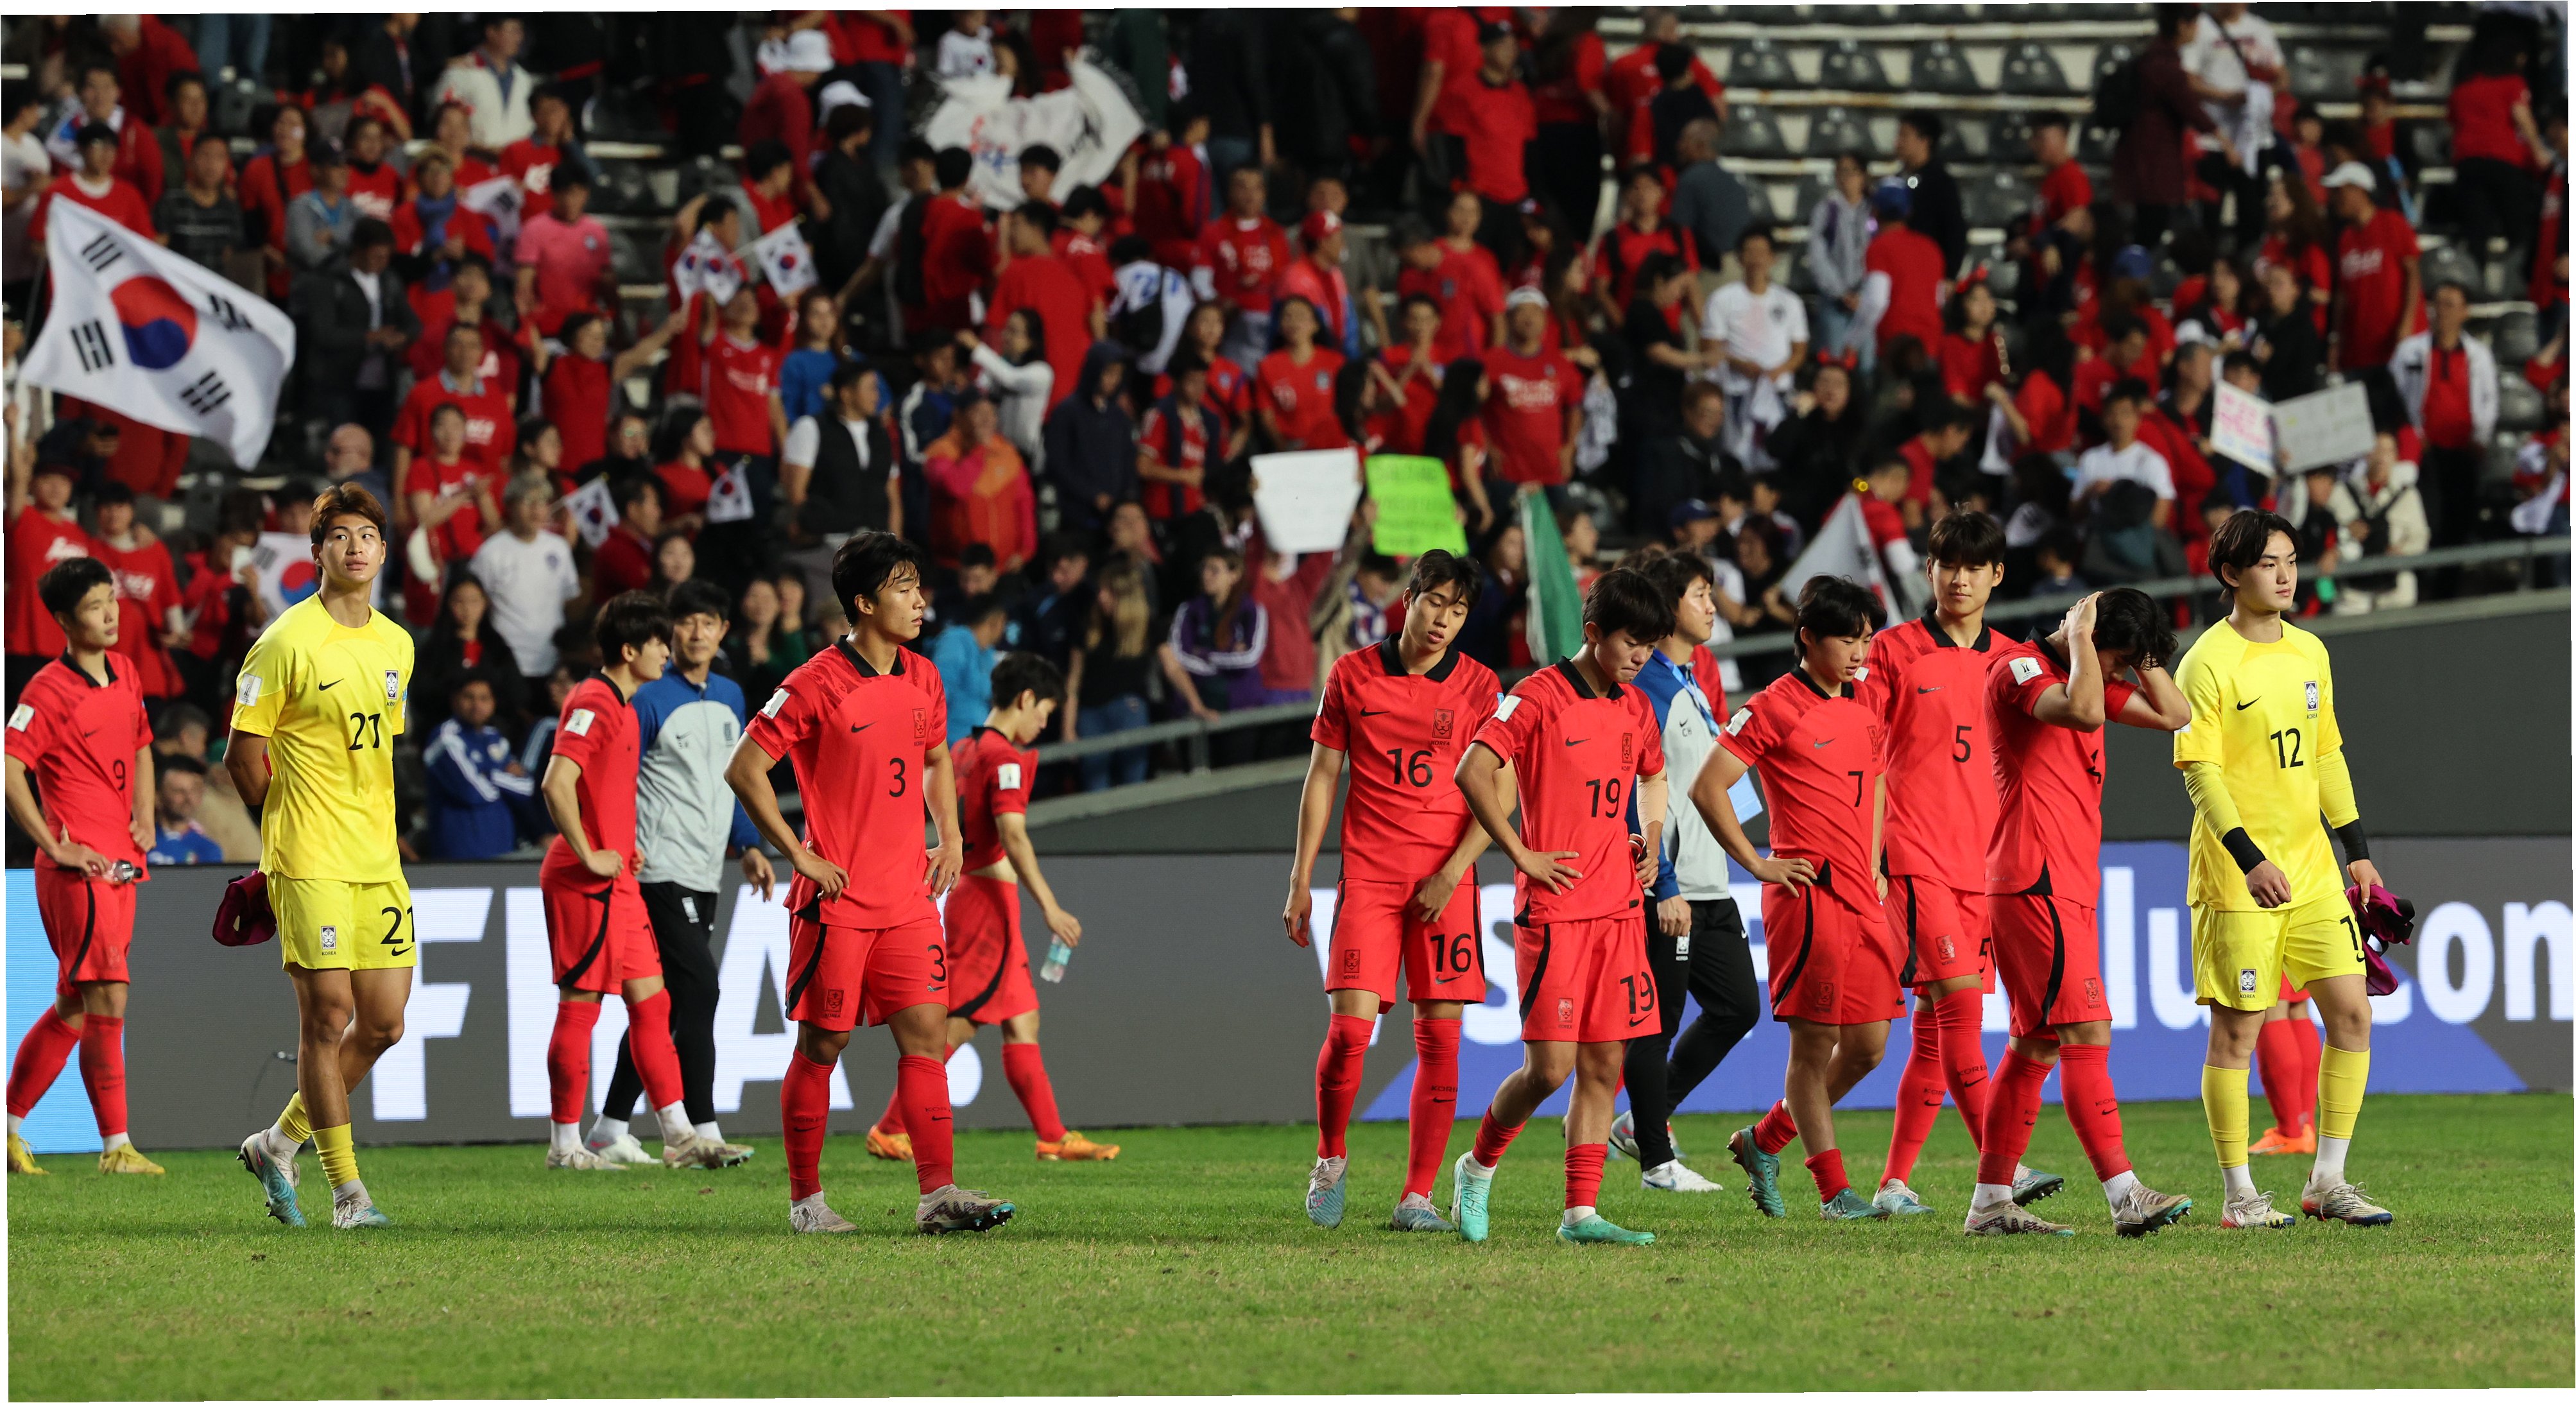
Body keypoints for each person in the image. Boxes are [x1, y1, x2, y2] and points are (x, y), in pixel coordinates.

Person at [725, 531, 1018, 1235]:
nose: (919, 600)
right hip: (838, 902)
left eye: (918, 585)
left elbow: (937, 760)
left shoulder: (924, 676)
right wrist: (799, 854)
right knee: (823, 1046)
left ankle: (938, 1194)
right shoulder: (815, 682)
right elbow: (744, 767)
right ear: (863, 602)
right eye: (902, 587)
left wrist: (950, 836)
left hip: (908, 898)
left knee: (927, 1037)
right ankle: (806, 1202)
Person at [2176, 512, 2395, 1229]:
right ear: (2231, 573)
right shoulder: (2206, 662)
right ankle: (2240, 1195)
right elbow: (2201, 774)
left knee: (2353, 1013)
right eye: (2269, 562)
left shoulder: (2310, 651)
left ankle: (2327, 1180)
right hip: (2239, 877)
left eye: (2292, 560)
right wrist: (2249, 858)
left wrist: (2356, 850)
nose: (2285, 574)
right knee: (2237, 1033)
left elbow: (2327, 754)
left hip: (2314, 870)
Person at [1448, 567, 1671, 1246]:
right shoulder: (1537, 695)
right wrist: (1521, 851)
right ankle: (1476, 1167)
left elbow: (1654, 775)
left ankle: (1580, 1214)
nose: (1641, 657)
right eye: (1631, 642)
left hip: (1620, 911)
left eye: (1650, 646)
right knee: (1550, 1069)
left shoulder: (1636, 706)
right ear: (1593, 631)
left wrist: (1650, 837)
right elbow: (1472, 769)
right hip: (1556, 911)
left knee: (1604, 1065)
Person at [1964, 587, 2196, 1236]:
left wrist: (2137, 653)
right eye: (2119, 660)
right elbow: (2085, 710)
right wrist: (2085, 638)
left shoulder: (2086, 671)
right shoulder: (2019, 669)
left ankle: (1989, 1203)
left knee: (2034, 1043)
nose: (2120, 674)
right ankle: (2126, 1195)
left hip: (2062, 881)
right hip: (2034, 877)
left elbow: (2175, 713)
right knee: (2087, 1032)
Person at [1854, 515, 2066, 1216]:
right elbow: (1865, 754)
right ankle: (2002, 1169)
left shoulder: (2015, 660)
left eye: (1975, 566)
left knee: (1929, 1029)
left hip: (1989, 868)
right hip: (1917, 856)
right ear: (1930, 569)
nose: (1960, 578)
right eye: (1948, 564)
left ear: (1998, 575)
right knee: (1961, 1011)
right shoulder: (1893, 651)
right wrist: (1870, 852)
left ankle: (1889, 1182)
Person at [1284, 552, 1499, 1232]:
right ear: (1408, 599)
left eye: (1458, 611)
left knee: (1441, 1043)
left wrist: (1453, 870)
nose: (1444, 620)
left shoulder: (1480, 686)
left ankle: (1417, 1196)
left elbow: (1499, 792)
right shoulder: (1350, 675)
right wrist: (1300, 878)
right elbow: (1323, 775)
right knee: (1350, 1032)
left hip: (1446, 883)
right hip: (1370, 877)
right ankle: (1331, 1157)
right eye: (1435, 602)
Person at [228, 485, 413, 1229]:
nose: (356, 546)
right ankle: (349, 1194)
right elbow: (243, 757)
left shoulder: (397, 643)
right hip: (308, 856)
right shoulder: (284, 641)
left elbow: (375, 749)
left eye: (368, 534)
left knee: (385, 1024)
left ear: (384, 550)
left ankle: (277, 1143)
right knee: (328, 1015)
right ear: (317, 551)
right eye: (340, 535)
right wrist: (285, 830)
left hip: (378, 859)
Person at [1687, 577, 1897, 1221]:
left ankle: (1764, 1140)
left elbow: (1877, 778)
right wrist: (1757, 862)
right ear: (1808, 637)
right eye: (1847, 640)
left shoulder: (1867, 697)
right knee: (1813, 1047)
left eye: (1866, 639)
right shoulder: (1775, 704)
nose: (1860, 653)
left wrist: (1875, 859)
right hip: (1809, 895)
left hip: (1863, 893)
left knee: (1868, 1047)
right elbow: (1708, 785)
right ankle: (1835, 1192)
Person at [868, 653, 1122, 1164]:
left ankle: (1053, 1137)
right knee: (961, 1020)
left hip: (973, 895)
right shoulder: (1005, 758)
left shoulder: (963, 748)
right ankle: (890, 1128)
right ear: (1026, 699)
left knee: (1023, 1020)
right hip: (988, 906)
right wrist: (1050, 907)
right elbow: (1013, 835)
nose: (1043, 724)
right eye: (1044, 712)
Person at [533, 592, 734, 1172]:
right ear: (629, 650)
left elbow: (602, 790)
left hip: (620, 880)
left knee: (654, 1002)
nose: (667, 655)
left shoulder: (624, 705)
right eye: (657, 644)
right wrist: (589, 852)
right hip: (583, 882)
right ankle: (564, 1147)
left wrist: (621, 845)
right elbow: (556, 782)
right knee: (581, 1007)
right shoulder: (594, 700)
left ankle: (679, 1134)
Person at [581, 580, 772, 1167]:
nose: (695, 633)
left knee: (659, 1005)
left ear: (723, 631)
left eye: (707, 622)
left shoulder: (732, 695)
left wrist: (748, 843)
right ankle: (701, 1129)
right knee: (700, 991)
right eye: (685, 623)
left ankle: (610, 1127)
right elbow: (617, 775)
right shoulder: (646, 697)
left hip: (706, 869)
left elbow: (734, 776)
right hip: (656, 869)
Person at [3, 558, 160, 1176]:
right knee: (108, 995)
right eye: (95, 606)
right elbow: (10, 767)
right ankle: (116, 1147)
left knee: (75, 1006)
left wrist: (145, 815)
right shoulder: (46, 691)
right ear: (66, 622)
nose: (110, 613)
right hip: (80, 870)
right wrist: (53, 842)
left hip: (122, 864)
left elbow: (142, 745)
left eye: (111, 600)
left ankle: (8, 1130)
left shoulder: (125, 670)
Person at [1611, 552, 1754, 1194]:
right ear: (1670, 607)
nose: (1712, 605)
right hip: (1670, 889)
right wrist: (1662, 881)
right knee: (1656, 1021)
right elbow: (1637, 791)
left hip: (1710, 882)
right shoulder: (1648, 688)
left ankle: (1641, 1118)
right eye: (1700, 594)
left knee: (1738, 1006)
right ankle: (1656, 1160)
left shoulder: (1690, 681)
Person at [2389, 281, 2498, 557]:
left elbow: (2489, 400)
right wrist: (2414, 436)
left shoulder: (2479, 355)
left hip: (2464, 451)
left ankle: (2450, 579)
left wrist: (2480, 439)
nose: (2442, 311)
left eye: (2450, 305)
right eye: (2437, 304)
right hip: (2424, 451)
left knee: (2459, 519)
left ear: (2465, 312)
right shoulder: (2410, 350)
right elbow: (2395, 395)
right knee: (2428, 517)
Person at [2114, 5, 2228, 248]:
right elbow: (2189, 108)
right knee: (2151, 229)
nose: (2197, 30)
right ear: (2181, 26)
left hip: (2144, 160)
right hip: (2153, 162)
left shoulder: (2154, 58)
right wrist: (2224, 140)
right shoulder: (2164, 65)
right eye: (2194, 24)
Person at [1702, 226, 1808, 469]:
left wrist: (1777, 372)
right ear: (1739, 258)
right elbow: (1710, 347)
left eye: (1762, 252)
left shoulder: (1790, 302)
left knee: (1775, 457)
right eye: (1750, 252)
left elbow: (1799, 351)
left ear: (1773, 258)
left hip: (1777, 391)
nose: (1757, 259)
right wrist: (1739, 364)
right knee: (1735, 458)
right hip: (1736, 390)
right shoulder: (1722, 299)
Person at [986, 201, 1095, 413]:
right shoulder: (1073, 277)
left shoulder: (1016, 273)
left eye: (1016, 225)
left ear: (1036, 229)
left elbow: (995, 333)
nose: (1011, 233)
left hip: (1030, 393)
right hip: (1072, 390)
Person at [2324, 162, 2419, 388]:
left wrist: (2407, 325)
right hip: (2359, 351)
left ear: (2358, 190)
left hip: (2396, 346)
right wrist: (2336, 340)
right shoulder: (2346, 238)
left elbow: (2413, 276)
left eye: (2339, 191)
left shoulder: (2393, 223)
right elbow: (2343, 295)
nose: (2334, 199)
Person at [422, 671, 535, 861]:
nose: (477, 705)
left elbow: (526, 788)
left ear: (493, 703)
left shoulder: (495, 737)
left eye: (484, 699)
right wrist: (502, 777)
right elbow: (474, 791)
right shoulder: (445, 738)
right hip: (461, 851)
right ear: (455, 700)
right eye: (469, 697)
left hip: (502, 846)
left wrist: (488, 775)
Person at [1482, 287, 1586, 487]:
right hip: (1506, 473)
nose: (1529, 318)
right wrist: (1488, 447)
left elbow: (1574, 405)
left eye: (1536, 312)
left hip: (1551, 471)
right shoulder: (1490, 362)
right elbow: (1474, 410)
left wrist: (1570, 447)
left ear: (1545, 319)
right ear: (1509, 318)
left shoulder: (1560, 363)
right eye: (1522, 311)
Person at [1194, 165, 1291, 371]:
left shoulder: (1276, 234)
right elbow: (1199, 281)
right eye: (1242, 187)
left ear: (1264, 194)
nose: (1250, 194)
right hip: (1231, 325)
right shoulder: (1214, 232)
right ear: (1230, 192)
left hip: (1271, 324)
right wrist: (1220, 304)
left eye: (1256, 188)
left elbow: (1286, 281)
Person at [1043, 343, 1140, 537]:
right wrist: (1093, 496)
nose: (1114, 380)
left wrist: (1128, 499)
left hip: (1114, 518)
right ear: (1095, 370)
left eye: (1119, 374)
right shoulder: (1067, 412)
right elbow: (1058, 464)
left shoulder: (1119, 417)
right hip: (1076, 517)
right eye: (1109, 373)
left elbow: (1128, 460)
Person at [1857, 180, 1944, 361]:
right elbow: (1939, 299)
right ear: (1908, 212)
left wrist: (1852, 341)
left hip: (1895, 346)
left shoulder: (1879, 247)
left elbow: (1876, 302)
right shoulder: (1930, 247)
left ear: (1875, 212)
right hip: (1931, 343)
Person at [1805, 151, 1874, 364]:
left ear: (1863, 176)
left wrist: (1864, 292)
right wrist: (1841, 292)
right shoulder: (1826, 210)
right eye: (1841, 172)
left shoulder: (1875, 211)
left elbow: (1880, 254)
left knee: (1867, 363)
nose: (1847, 178)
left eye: (1852, 172)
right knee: (1834, 361)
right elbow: (1818, 256)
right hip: (1834, 300)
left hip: (1868, 300)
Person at [1256, 298, 1350, 453]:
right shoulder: (1267, 366)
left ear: (1316, 325)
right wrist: (1283, 447)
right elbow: (1266, 414)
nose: (1294, 322)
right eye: (1288, 317)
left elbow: (1347, 406)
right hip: (1290, 447)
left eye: (1301, 316)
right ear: (1279, 325)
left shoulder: (1336, 362)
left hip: (1332, 446)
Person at [154, 132, 246, 271]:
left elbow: (230, 256)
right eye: (205, 155)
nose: (212, 164)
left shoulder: (230, 207)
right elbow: (157, 249)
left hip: (215, 282)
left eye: (219, 157)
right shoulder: (171, 201)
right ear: (191, 159)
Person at [1667, 119, 1750, 272]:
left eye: (1685, 140)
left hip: (1709, 268)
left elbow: (1680, 230)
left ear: (1700, 146)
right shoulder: (1735, 181)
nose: (1679, 146)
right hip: (1739, 266)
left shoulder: (1690, 179)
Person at [1896, 110, 1964, 278]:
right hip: (1898, 269)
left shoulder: (1941, 183)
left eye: (1905, 136)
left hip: (1928, 272)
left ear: (1925, 141)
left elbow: (1955, 231)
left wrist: (1949, 274)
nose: (1898, 142)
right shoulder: (1896, 180)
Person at [147, 753, 225, 867]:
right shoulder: (142, 841)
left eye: (194, 791)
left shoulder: (208, 850)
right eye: (179, 791)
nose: (189, 798)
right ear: (157, 796)